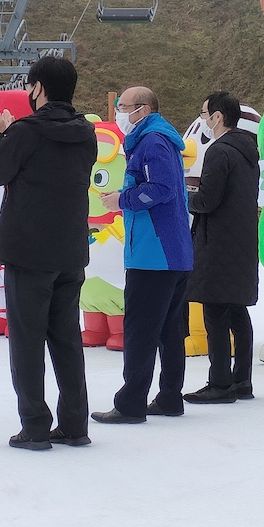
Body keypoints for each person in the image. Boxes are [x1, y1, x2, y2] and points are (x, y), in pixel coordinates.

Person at [0, 56, 98, 450]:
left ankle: (34, 426)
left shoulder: (26, 132)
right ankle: (75, 425)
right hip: (70, 251)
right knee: (66, 339)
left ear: (39, 88)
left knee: (27, 342)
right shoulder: (86, 133)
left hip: (29, 252)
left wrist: (0, 134)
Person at [92, 86, 194, 424]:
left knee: (140, 329)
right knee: (168, 329)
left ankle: (131, 403)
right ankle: (169, 397)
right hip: (171, 252)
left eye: (123, 107)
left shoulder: (151, 142)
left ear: (143, 109)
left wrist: (122, 200)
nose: (118, 113)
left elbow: (160, 190)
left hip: (154, 253)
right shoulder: (159, 140)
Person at [184, 92, 261, 404]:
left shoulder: (219, 151)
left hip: (216, 242)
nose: (203, 120)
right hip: (242, 240)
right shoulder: (248, 151)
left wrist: (183, 195)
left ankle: (220, 383)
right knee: (238, 312)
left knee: (215, 312)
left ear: (217, 117)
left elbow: (207, 201)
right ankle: (242, 380)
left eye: (205, 114)